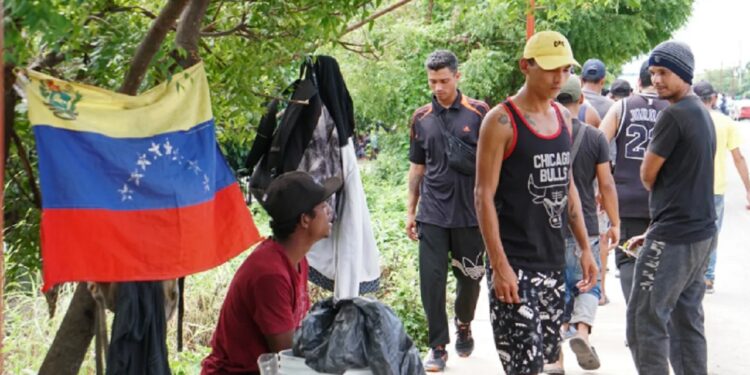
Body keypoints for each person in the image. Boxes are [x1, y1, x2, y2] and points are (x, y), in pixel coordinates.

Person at [474, 31, 598, 375]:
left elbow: (568, 183)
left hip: (553, 261)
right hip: (515, 263)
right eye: (550, 69)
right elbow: (482, 195)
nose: (559, 78)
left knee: (544, 357)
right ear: (525, 66)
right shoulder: (500, 121)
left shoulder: (564, 118)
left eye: (565, 69)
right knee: (522, 364)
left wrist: (586, 248)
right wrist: (500, 267)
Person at [626, 41, 716, 375]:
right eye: (652, 73)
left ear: (684, 73)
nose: (657, 80)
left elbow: (648, 175)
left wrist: (658, 233)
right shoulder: (701, 113)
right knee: (685, 320)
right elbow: (686, 181)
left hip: (675, 236)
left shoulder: (674, 115)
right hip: (701, 234)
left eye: (664, 72)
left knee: (643, 322)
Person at [202, 171, 341, 375]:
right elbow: (289, 358)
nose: (329, 211)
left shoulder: (297, 259)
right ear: (305, 220)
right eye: (322, 207)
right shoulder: (270, 275)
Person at [406, 49, 489, 372]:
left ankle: (464, 323)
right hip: (433, 213)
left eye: (443, 80)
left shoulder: (480, 113)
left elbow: (494, 164)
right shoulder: (421, 118)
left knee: (470, 278)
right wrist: (410, 212)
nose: (438, 87)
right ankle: (437, 346)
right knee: (432, 280)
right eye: (432, 81)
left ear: (458, 76)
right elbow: (417, 169)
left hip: (471, 214)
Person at [545, 76, 619, 373]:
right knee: (589, 282)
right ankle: (583, 332)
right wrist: (615, 222)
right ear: (581, 101)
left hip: (548, 226)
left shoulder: (542, 135)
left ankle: (554, 359)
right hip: (586, 225)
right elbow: (607, 184)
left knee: (554, 290)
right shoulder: (594, 137)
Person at [600, 60, 669, 302]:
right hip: (663, 199)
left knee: (628, 258)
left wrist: (601, 185)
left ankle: (635, 313)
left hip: (626, 197)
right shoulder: (673, 109)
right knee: (658, 262)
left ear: (639, 82)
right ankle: (651, 319)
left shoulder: (622, 107)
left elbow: (598, 144)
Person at [694, 80, 750, 293]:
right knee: (712, 234)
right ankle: (707, 277)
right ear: (714, 98)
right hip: (715, 188)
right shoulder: (726, 123)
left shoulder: (689, 119)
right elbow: (739, 158)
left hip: (690, 188)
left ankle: (693, 275)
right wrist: (748, 189)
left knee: (690, 231)